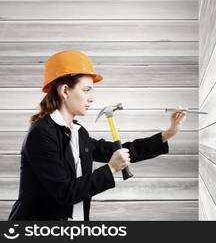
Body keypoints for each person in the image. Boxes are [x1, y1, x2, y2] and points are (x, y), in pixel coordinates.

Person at [8, 50, 187, 221]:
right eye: (86, 90)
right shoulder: (41, 134)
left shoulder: (78, 133)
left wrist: (169, 132)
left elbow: (121, 151)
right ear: (65, 91)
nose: (92, 98)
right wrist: (110, 169)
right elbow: (64, 193)